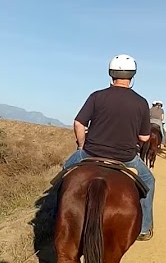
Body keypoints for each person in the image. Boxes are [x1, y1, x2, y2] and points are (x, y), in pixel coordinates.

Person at [61, 54, 156, 242]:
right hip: (126, 158)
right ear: (132, 76)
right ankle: (144, 228)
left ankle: (51, 215)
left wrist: (82, 146)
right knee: (149, 181)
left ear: (111, 74)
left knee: (64, 171)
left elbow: (79, 123)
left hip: (91, 152)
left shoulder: (97, 96)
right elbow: (144, 137)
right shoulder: (141, 102)